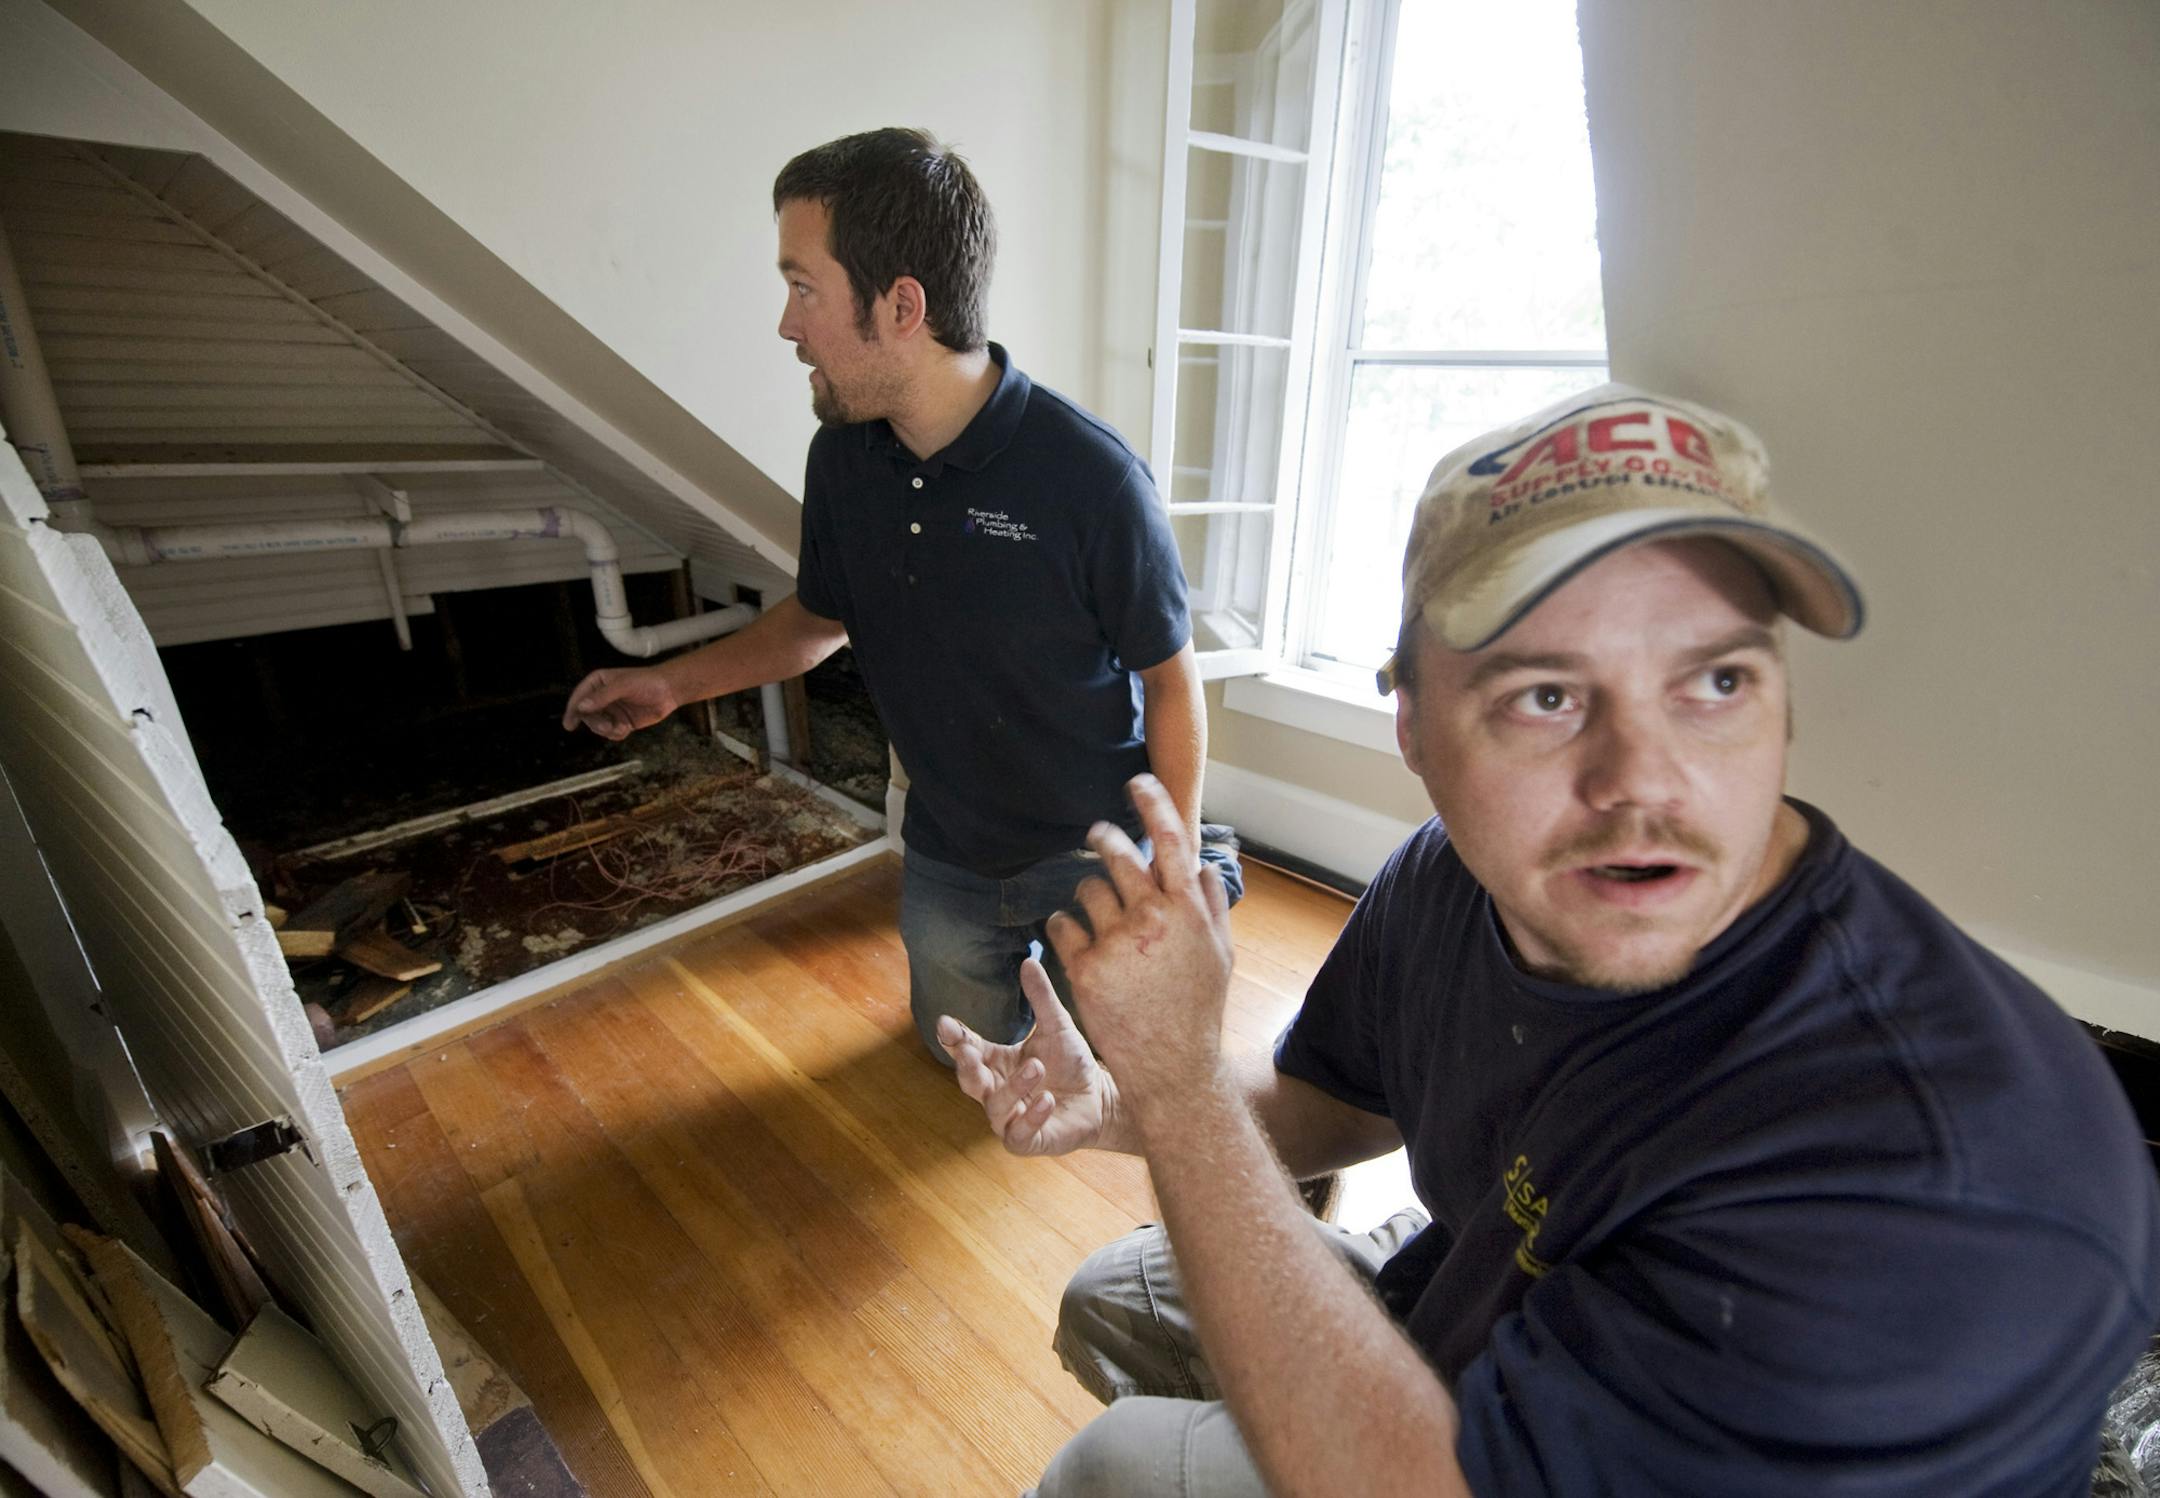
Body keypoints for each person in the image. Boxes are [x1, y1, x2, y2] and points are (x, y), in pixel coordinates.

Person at [940, 383, 2160, 1495]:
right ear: (1411, 726)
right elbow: (1333, 1093)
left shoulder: (1943, 1187)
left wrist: (1186, 1090)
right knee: (1114, 1297)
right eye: (1545, 697)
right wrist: (1122, 1103)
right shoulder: (1455, 877)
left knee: (1107, 1472)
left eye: (1715, 683)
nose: (1645, 786)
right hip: (1481, 1289)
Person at [563, 128, 1225, 1057]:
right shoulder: (843, 457)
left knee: (1119, 1060)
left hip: (1091, 844)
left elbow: (1170, 680)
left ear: (902, 305)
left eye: (803, 288)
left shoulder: (1091, 479)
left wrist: (1176, 860)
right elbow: (817, 622)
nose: (787, 326)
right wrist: (672, 686)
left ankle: (1214, 869)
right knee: (960, 1053)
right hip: (950, 850)